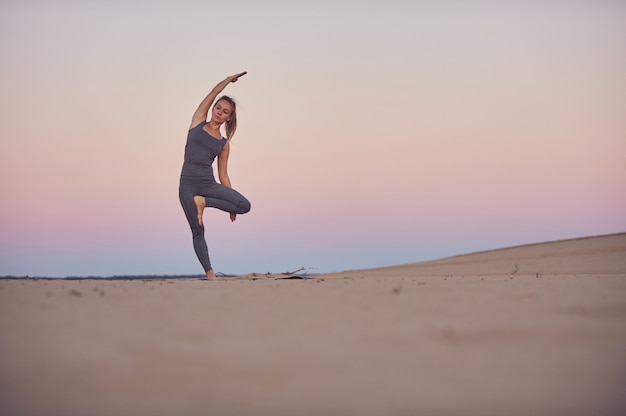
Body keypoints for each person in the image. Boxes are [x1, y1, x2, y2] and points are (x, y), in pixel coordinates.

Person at [179, 72, 251, 280]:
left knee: (244, 206)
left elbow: (223, 175)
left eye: (225, 112)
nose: (219, 112)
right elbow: (213, 92)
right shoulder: (197, 122)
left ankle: (204, 202)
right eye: (218, 108)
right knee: (197, 230)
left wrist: (231, 204)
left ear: (229, 117)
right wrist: (228, 80)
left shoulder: (223, 144)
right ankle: (210, 273)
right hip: (188, 185)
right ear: (213, 108)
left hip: (208, 185)